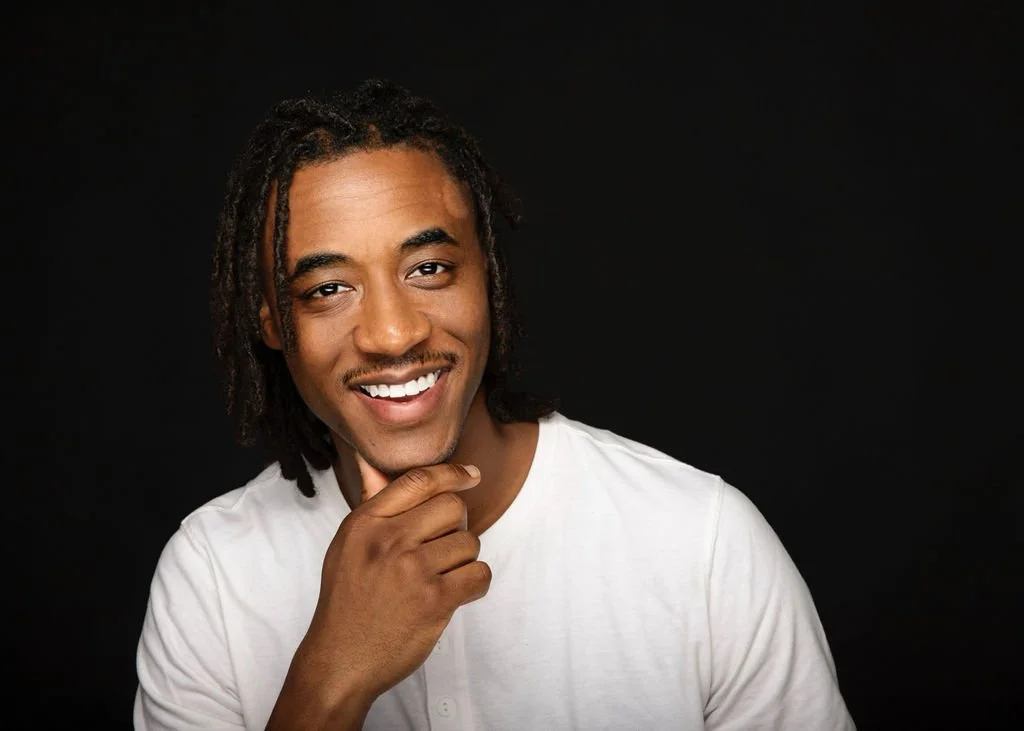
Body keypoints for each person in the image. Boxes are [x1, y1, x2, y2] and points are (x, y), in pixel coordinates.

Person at [133, 78, 856, 730]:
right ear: (270, 320)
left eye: (428, 268)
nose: (393, 333)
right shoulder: (214, 575)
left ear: (488, 278)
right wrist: (331, 678)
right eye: (328, 289)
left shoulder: (701, 544)